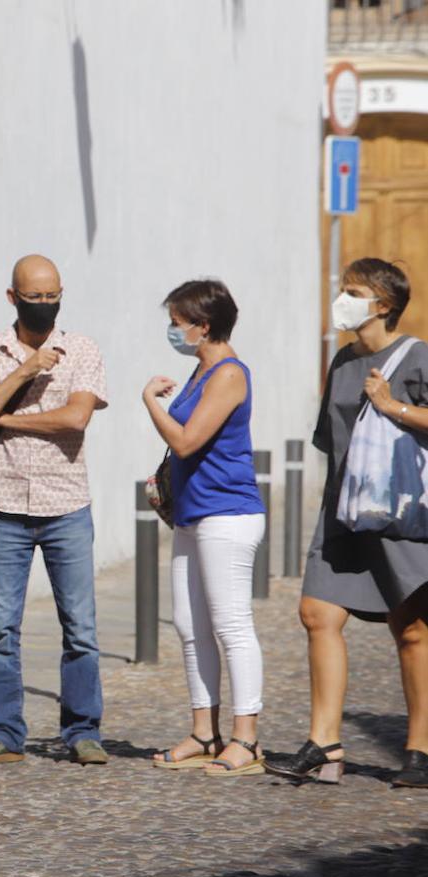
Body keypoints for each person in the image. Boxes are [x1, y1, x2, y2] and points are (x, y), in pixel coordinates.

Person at [266, 258, 428, 789]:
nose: (343, 298)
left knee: (411, 631)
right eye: (342, 289)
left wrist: (392, 406)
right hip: (343, 513)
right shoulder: (341, 361)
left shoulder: (417, 357)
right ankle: (325, 744)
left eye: (353, 291)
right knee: (316, 614)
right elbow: (330, 441)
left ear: (383, 304)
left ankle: (420, 751)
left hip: (400, 515)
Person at [0, 254, 110, 768]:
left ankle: (83, 729)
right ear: (13, 297)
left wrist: (8, 420)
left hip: (66, 503)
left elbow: (76, 418)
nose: (45, 305)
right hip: (2, 502)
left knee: (81, 627)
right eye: (35, 297)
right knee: (0, 628)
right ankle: (4, 733)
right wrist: (24, 373)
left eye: (53, 297)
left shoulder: (81, 349)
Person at [142, 280, 267, 776]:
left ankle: (247, 738)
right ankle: (204, 731)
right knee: (190, 626)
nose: (172, 330)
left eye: (177, 322)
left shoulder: (230, 374)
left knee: (232, 625)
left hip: (228, 513)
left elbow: (189, 440)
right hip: (195, 514)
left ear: (204, 325)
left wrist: (149, 401)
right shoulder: (201, 369)